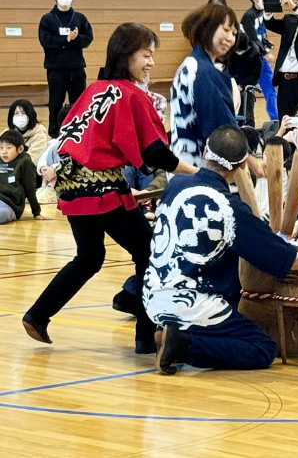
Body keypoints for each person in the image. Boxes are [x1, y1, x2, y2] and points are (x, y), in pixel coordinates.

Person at [22, 23, 198, 352]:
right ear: (125, 56)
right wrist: (195, 171)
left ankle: (37, 315)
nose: (151, 63)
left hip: (70, 184)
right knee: (148, 252)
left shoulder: (94, 89)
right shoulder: (131, 94)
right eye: (146, 55)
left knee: (89, 256)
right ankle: (145, 339)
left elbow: (68, 136)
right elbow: (155, 153)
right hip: (99, 187)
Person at [145, 125, 298, 375]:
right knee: (263, 348)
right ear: (241, 167)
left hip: (153, 294)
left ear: (205, 152)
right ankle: (184, 344)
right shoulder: (230, 209)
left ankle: (172, 331)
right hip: (194, 302)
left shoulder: (176, 185)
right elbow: (279, 254)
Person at [171, 2, 261, 175]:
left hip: (183, 163)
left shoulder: (191, 64)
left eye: (234, 33)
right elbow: (220, 126)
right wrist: (250, 160)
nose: (230, 38)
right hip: (198, 169)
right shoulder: (203, 71)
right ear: (207, 27)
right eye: (226, 30)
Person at [38, 0, 94, 137]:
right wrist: (65, 40)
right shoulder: (47, 19)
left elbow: (88, 38)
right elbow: (45, 41)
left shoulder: (80, 18)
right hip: (56, 69)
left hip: (76, 69)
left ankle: (80, 133)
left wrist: (76, 39)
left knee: (79, 104)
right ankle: (55, 135)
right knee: (55, 104)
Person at [240, 0, 279, 121]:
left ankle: (275, 119)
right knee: (247, 90)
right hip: (249, 59)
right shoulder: (248, 16)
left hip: (260, 58)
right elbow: (251, 38)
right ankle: (245, 121)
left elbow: (261, 35)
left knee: (270, 88)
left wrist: (267, 44)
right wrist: (265, 53)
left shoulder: (261, 14)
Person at [0, 130, 49, 224]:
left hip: (10, 205)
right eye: (1, 148)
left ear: (20, 149)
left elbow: (30, 189)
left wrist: (36, 212)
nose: (4, 152)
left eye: (8, 148)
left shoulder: (25, 163)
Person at [227, 29, 263, 128]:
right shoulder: (230, 53)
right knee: (231, 113)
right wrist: (233, 83)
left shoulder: (255, 54)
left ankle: (250, 136)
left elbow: (255, 74)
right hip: (232, 86)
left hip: (247, 87)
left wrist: (242, 85)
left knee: (248, 115)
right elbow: (227, 69)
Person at [7, 99, 49, 165]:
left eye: (23, 113)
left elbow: (31, 160)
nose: (20, 117)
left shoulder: (40, 136)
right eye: (16, 113)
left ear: (30, 115)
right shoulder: (7, 134)